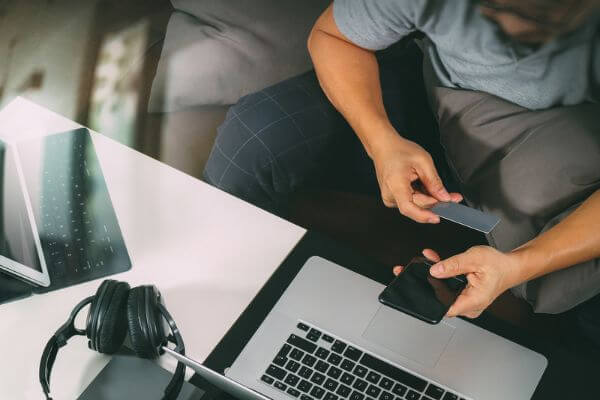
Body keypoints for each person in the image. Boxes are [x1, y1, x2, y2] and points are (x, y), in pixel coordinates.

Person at [203, 0, 600, 335]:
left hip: (569, 126)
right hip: (435, 89)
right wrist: (382, 143)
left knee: (577, 297)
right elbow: (331, 36)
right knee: (255, 141)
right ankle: (228, 326)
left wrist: (518, 264)